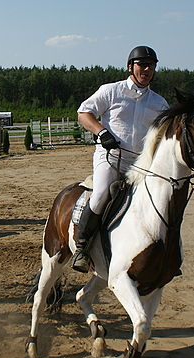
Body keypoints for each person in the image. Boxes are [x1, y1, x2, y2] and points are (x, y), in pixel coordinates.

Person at [71, 46, 169, 273]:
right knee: (102, 194)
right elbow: (84, 113)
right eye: (142, 64)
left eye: (151, 65)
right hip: (110, 157)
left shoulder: (159, 103)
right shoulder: (111, 91)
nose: (146, 69)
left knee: (161, 200)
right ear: (130, 67)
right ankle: (82, 250)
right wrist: (101, 132)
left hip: (141, 164)